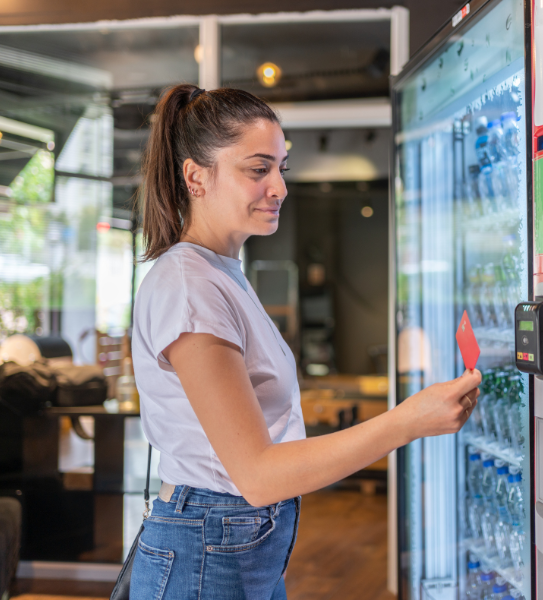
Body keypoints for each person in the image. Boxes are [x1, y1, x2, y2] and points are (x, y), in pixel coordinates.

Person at [130, 83, 481, 600]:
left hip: (233, 541)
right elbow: (257, 474)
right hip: (209, 545)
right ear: (195, 177)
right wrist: (407, 422)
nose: (279, 187)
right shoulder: (190, 285)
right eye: (258, 169)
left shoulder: (219, 273)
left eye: (281, 168)